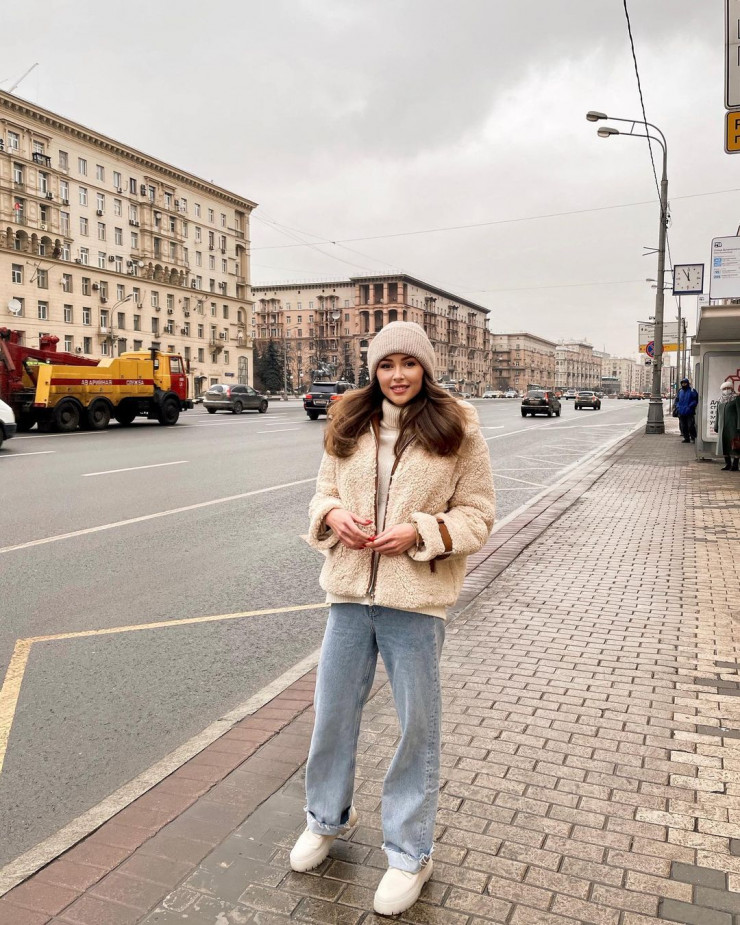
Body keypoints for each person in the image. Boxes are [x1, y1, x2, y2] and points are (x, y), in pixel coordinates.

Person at [291, 321, 495, 917]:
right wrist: (333, 516)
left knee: (416, 729)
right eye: (386, 364)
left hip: (416, 602)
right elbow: (322, 493)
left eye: (408, 363)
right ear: (373, 370)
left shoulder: (457, 425)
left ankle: (410, 852)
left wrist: (420, 532)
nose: (397, 375)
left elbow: (479, 514)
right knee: (331, 716)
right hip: (349, 595)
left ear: (425, 368)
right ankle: (325, 819)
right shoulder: (349, 422)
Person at [715, 379, 740, 471]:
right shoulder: (720, 400)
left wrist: (739, 426)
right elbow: (717, 414)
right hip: (722, 427)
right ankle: (727, 464)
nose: (726, 390)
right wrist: (716, 426)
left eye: (728, 388)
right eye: (724, 389)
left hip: (733, 426)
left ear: (732, 388)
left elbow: (739, 412)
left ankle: (735, 465)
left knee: (735, 446)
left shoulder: (736, 398)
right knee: (724, 445)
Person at [674, 377, 699, 443]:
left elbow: (695, 400)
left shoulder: (692, 391)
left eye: (685, 383)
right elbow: (677, 400)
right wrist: (678, 407)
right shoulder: (680, 391)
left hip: (689, 411)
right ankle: (686, 438)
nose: (684, 384)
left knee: (690, 425)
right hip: (681, 411)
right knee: (683, 426)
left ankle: (693, 438)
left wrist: (690, 406)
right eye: (682, 383)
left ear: (687, 383)